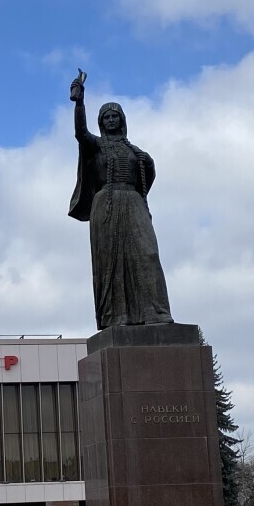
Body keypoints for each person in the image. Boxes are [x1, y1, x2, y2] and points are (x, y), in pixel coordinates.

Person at [67, 70, 173, 329]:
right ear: (101, 122)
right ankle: (118, 317)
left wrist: (148, 164)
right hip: (108, 204)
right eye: (106, 117)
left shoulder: (134, 150)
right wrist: (79, 102)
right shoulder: (95, 145)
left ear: (122, 120)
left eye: (115, 116)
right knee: (111, 261)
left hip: (134, 203)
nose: (111, 120)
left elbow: (146, 180)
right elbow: (81, 133)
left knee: (147, 254)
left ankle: (155, 313)